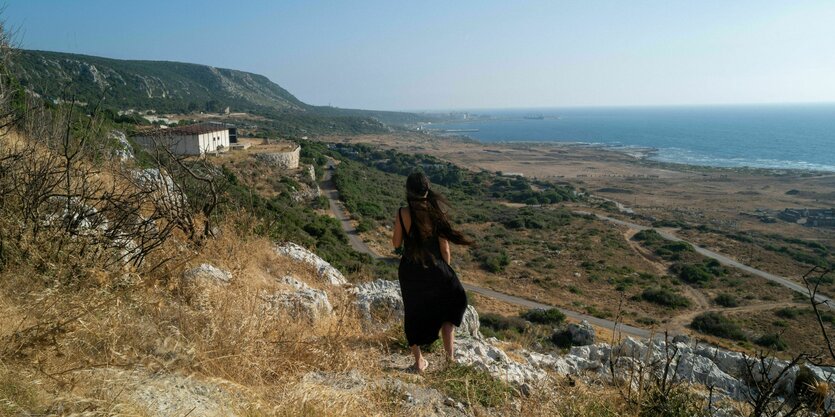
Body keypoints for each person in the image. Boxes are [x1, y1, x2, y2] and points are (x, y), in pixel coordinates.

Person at [391, 172, 472, 373]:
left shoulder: (402, 213)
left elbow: (396, 243)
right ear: (427, 190)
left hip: (410, 271)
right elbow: (445, 249)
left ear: (408, 190)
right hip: (436, 269)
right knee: (449, 310)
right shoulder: (437, 213)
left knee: (413, 313)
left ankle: (419, 362)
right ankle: (449, 360)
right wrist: (445, 271)